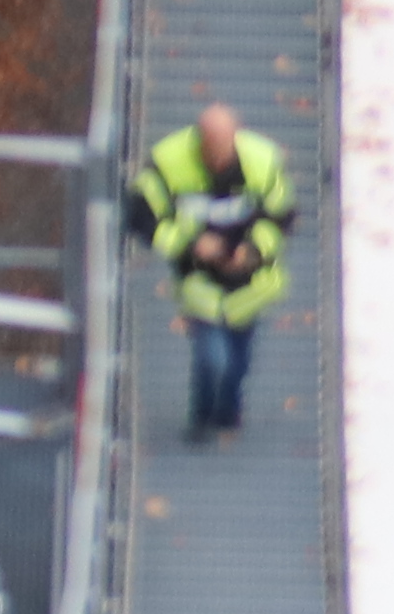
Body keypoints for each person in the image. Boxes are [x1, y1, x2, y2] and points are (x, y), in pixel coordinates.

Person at [127, 102, 297, 440]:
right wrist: (189, 246)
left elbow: (282, 215)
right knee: (212, 359)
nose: (219, 159)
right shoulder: (169, 164)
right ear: (200, 141)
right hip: (199, 282)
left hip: (250, 283)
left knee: (238, 361)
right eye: (212, 148)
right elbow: (140, 218)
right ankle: (202, 418)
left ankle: (229, 412)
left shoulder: (261, 163)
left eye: (225, 148)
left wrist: (253, 251)